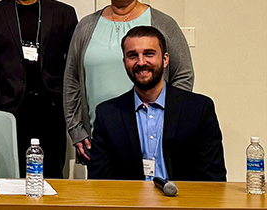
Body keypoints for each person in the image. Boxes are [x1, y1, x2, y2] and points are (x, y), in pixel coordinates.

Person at [64, 0, 194, 164]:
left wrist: (170, 120)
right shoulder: (86, 27)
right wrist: (76, 130)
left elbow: (184, 75)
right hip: (100, 139)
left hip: (155, 135)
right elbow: (71, 83)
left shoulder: (162, 23)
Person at [0, 0, 78, 178]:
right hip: (9, 109)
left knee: (52, 177)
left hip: (51, 109)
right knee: (8, 176)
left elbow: (72, 64)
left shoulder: (63, 13)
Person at [89, 26, 226, 181]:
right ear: (124, 62)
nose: (141, 62)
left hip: (183, 202)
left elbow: (215, 179)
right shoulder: (108, 114)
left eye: (149, 54)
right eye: (132, 56)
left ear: (165, 59)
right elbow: (98, 182)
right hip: (129, 203)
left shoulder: (198, 109)